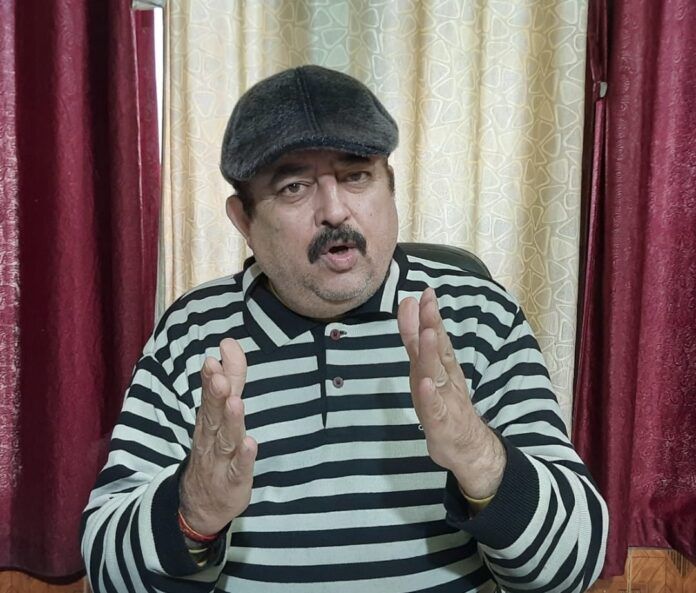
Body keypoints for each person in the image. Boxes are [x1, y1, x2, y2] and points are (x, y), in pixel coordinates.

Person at [81, 65, 607, 593]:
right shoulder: (190, 334)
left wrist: (477, 456)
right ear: (243, 220)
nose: (335, 211)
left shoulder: (476, 315)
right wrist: (193, 511)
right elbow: (108, 573)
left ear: (391, 186)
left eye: (356, 176)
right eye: (294, 187)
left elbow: (572, 567)